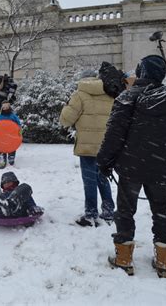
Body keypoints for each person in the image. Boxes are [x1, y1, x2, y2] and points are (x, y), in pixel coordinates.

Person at [97, 55, 166, 278]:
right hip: (163, 167)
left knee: (125, 210)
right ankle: (164, 261)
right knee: (162, 210)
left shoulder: (128, 97)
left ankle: (124, 257)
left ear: (141, 72)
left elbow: (114, 134)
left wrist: (104, 162)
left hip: (131, 166)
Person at [60, 63, 125, 227]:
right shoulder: (109, 93)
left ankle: (90, 214)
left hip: (87, 147)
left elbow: (66, 119)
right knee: (103, 177)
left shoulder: (80, 94)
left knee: (89, 180)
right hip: (106, 145)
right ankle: (109, 210)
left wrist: (66, 111)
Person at [0, 101, 21, 169]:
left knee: (11, 147)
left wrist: (19, 132)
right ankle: (2, 159)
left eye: (7, 107)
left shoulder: (13, 116)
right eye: (4, 107)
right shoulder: (0, 117)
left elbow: (18, 124)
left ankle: (11, 157)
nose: (5, 108)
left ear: (9, 107)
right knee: (2, 148)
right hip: (2, 135)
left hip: (11, 135)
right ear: (2, 108)